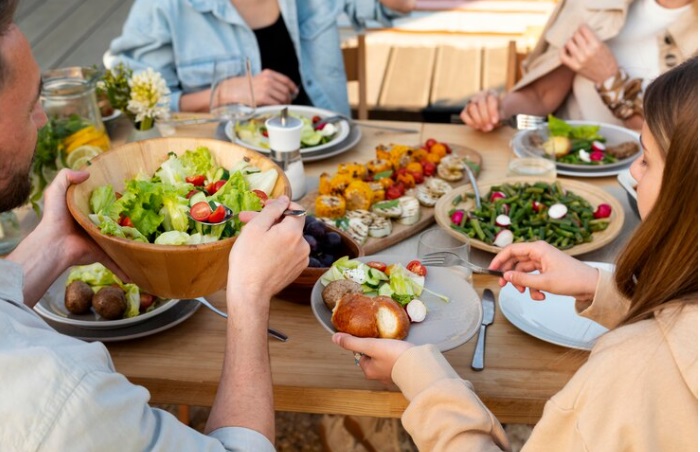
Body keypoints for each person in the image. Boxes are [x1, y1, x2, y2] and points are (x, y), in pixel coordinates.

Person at [334, 56, 698, 451]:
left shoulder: (630, 373)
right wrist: (602, 289)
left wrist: (427, 382)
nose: (630, 175)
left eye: (645, 159)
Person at [0, 0, 310, 449]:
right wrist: (248, 297)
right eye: (31, 107)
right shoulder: (59, 394)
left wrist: (55, 245)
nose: (43, 119)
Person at [108, 0, 415, 116]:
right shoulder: (162, 7)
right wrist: (223, 92)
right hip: (231, 173)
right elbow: (133, 99)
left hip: (328, 152)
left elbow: (387, 6)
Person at [461, 0, 697, 133]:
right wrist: (497, 111)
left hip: (649, 190)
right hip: (568, 169)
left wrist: (610, 80)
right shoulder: (591, 4)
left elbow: (677, 142)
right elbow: (541, 96)